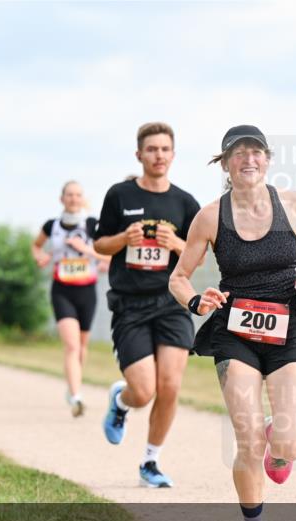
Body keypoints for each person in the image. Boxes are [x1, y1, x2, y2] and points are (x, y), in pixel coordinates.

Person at [169, 125, 296, 521]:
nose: (248, 160)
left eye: (256, 152)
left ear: (267, 158)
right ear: (225, 163)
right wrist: (196, 300)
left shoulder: (294, 204)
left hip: (289, 330)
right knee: (248, 440)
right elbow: (178, 276)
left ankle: (278, 441)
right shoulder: (210, 216)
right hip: (235, 333)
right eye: (238, 154)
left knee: (287, 443)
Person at [92, 121, 200, 489]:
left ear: (173, 154)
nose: (158, 155)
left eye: (165, 149)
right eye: (151, 149)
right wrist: (124, 237)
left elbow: (198, 256)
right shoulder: (119, 195)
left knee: (170, 385)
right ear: (139, 155)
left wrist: (175, 245)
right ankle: (121, 402)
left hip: (171, 301)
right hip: (131, 305)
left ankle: (150, 462)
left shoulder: (185, 203)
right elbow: (100, 245)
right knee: (143, 391)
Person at [32, 181, 110, 417]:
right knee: (72, 345)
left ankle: (72, 383)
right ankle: (76, 396)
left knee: (82, 346)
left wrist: (87, 251)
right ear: (62, 198)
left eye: (78, 195)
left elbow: (106, 252)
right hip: (62, 290)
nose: (74, 199)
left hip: (87, 290)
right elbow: (36, 246)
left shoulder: (92, 224)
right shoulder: (51, 225)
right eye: (69, 195)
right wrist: (41, 257)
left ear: (82, 198)